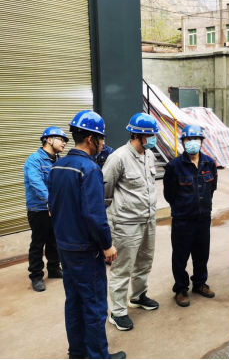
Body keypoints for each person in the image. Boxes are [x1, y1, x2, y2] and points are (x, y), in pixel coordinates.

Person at [48, 110, 126, 359]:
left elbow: (53, 207)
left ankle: (78, 352)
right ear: (91, 139)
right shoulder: (89, 169)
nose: (103, 144)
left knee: (74, 302)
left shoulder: (58, 166)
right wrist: (107, 245)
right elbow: (94, 215)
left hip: (65, 247)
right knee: (94, 306)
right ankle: (98, 356)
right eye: (101, 138)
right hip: (85, 250)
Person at [102, 113, 160, 332]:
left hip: (148, 219)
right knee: (122, 267)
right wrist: (111, 219)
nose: (153, 139)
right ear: (137, 135)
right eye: (150, 135)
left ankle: (137, 296)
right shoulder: (118, 157)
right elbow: (105, 190)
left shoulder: (149, 155)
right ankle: (117, 312)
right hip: (126, 224)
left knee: (144, 261)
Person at [163, 124, 218, 307]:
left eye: (195, 139)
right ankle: (180, 288)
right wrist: (183, 208)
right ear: (183, 142)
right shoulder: (174, 166)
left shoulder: (209, 163)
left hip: (203, 219)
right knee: (180, 256)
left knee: (202, 254)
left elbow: (212, 188)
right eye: (188, 139)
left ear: (201, 141)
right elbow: (169, 194)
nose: (192, 142)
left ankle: (200, 283)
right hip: (183, 220)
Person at [23, 127, 68, 292]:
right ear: (49, 139)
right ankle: (36, 276)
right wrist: (51, 202)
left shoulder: (59, 161)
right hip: (39, 208)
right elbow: (36, 183)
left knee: (53, 240)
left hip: (55, 207)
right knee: (38, 242)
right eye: (61, 139)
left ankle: (54, 268)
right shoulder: (34, 160)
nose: (64, 143)